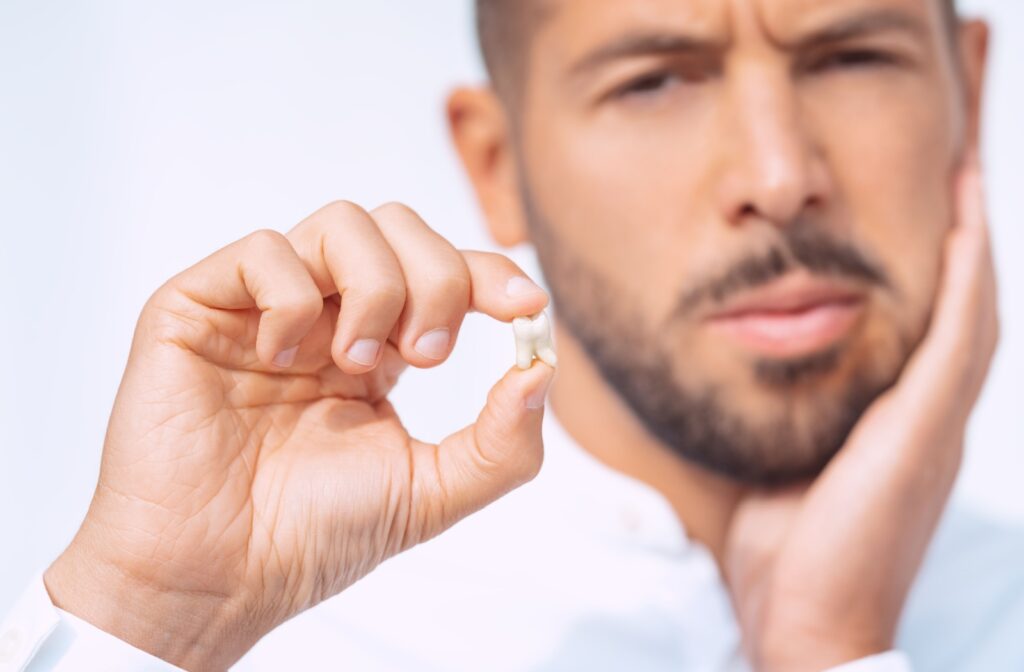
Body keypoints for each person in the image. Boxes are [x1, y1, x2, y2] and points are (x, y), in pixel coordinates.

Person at [1, 0, 1019, 670]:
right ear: (494, 164)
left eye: (850, 57)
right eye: (654, 80)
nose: (777, 174)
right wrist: (153, 619)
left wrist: (828, 651)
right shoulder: (292, 640)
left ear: (967, 93)